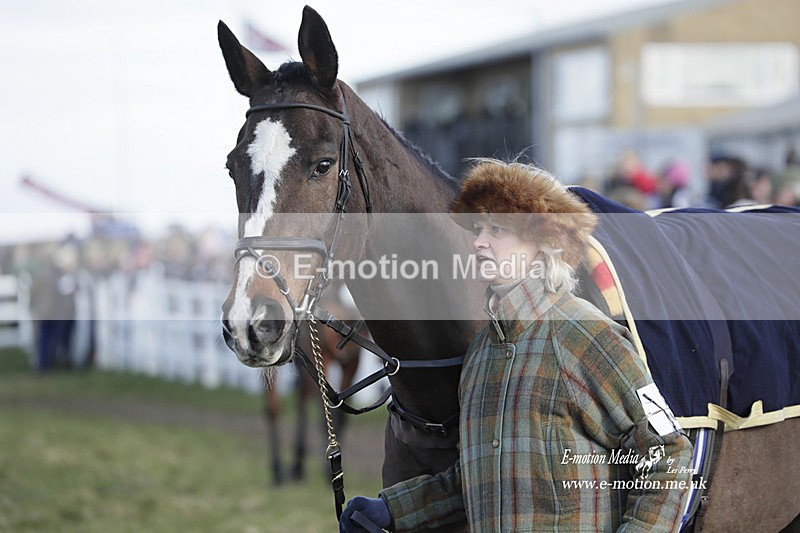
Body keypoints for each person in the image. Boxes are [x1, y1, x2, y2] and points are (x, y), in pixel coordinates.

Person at [340, 159, 693, 532]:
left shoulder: (586, 333)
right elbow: (478, 480)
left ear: (545, 242)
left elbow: (669, 453)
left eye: (497, 229)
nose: (478, 241)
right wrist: (393, 509)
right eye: (478, 228)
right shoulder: (479, 354)